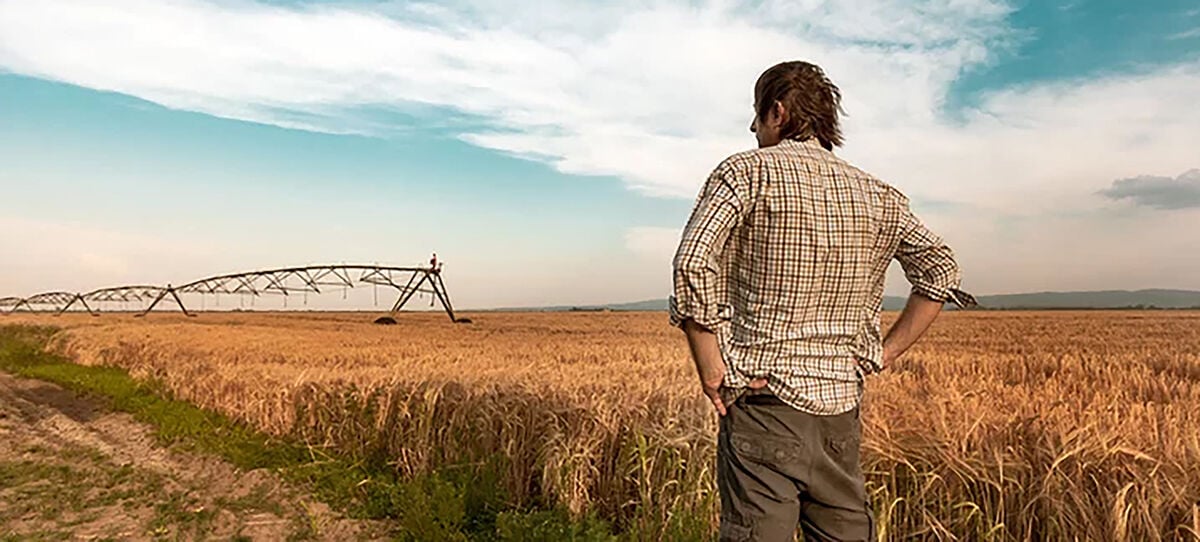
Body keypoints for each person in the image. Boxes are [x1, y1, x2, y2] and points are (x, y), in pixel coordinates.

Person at [670, 60, 975, 542]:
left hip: (762, 402)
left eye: (756, 115)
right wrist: (883, 352)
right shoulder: (878, 195)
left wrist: (710, 369)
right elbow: (940, 268)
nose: (752, 128)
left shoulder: (745, 173)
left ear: (777, 111)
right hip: (839, 414)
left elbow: (692, 263)